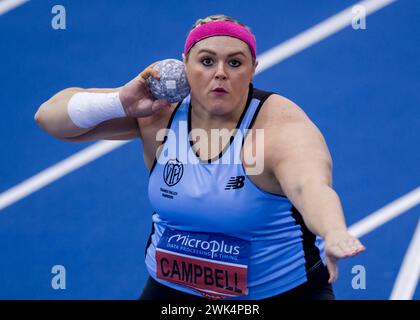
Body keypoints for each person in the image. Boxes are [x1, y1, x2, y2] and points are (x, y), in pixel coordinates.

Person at [35, 14, 365, 300]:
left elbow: (311, 188)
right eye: (206, 61)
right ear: (185, 65)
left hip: (280, 294)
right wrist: (120, 101)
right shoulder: (158, 114)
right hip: (175, 292)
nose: (220, 73)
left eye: (234, 63)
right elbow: (49, 119)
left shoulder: (279, 128)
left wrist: (333, 232)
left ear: (253, 69)